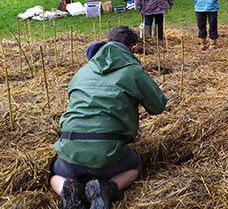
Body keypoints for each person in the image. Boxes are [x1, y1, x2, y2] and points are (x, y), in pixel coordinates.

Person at [50, 26, 167, 209]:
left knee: (56, 174)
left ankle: (65, 188)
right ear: (133, 49)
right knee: (133, 167)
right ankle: (108, 188)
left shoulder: (83, 71)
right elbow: (158, 105)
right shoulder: (132, 71)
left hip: (70, 151)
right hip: (109, 156)